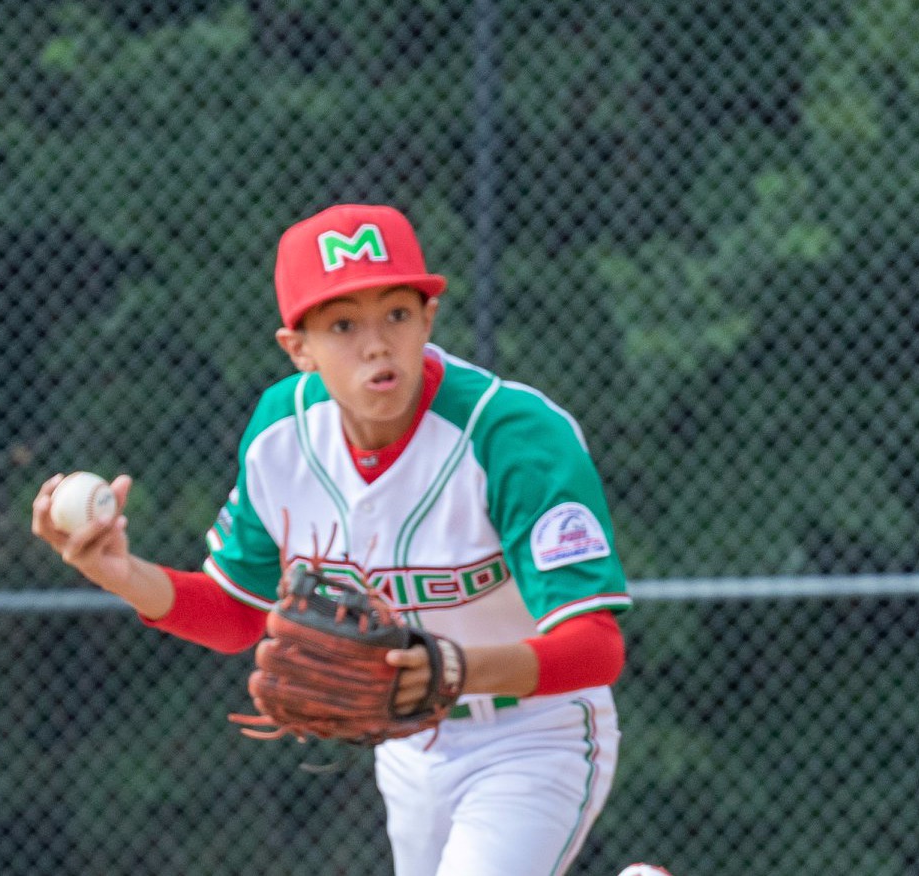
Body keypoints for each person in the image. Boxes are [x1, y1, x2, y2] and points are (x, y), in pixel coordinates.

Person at [32, 203, 632, 876]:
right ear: (299, 349)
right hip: (408, 746)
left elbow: (597, 648)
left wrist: (454, 668)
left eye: (396, 314)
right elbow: (236, 615)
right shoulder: (281, 436)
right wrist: (120, 572)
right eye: (343, 325)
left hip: (536, 733)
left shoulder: (513, 437)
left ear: (428, 319)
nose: (376, 345)